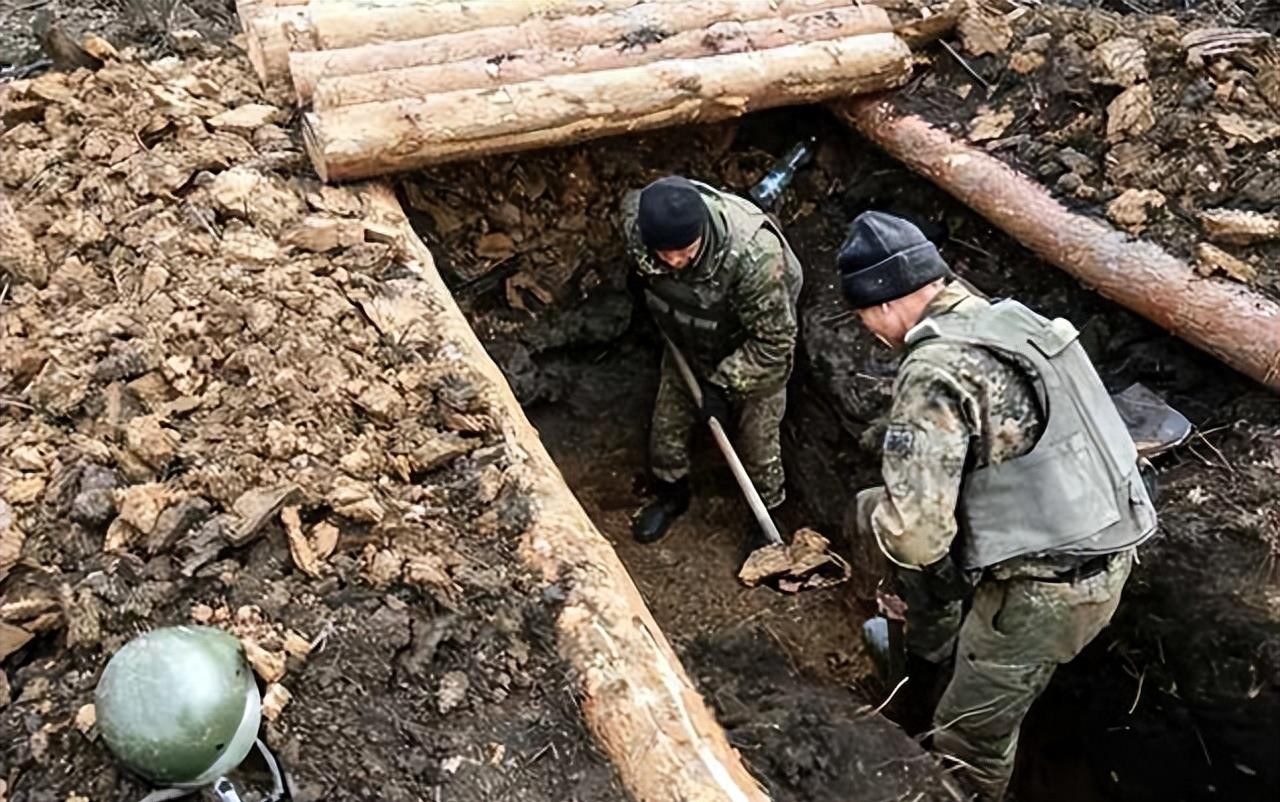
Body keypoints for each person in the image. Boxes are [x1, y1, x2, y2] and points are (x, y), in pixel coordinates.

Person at [837, 210, 1158, 801]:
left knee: (966, 738)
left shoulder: (933, 369)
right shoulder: (1012, 321)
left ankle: (963, 769)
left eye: (864, 319)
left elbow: (916, 539)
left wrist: (898, 542)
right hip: (1107, 536)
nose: (870, 332)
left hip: (1045, 590)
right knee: (882, 513)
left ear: (885, 304)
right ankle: (934, 657)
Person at [620, 175, 803, 546]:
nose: (674, 261)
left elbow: (775, 342)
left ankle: (766, 518)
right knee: (666, 430)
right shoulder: (636, 222)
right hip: (687, 342)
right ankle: (671, 495)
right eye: (663, 253)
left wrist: (722, 386)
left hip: (755, 351)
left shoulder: (755, 257)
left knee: (757, 443)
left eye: (685, 250)